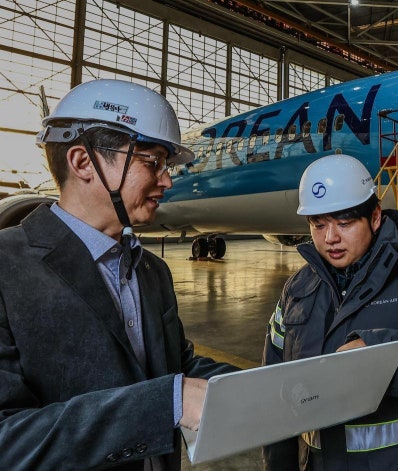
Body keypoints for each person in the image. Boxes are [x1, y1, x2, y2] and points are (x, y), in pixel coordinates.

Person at [0, 79, 239, 469]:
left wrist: (272, 384)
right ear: (82, 162)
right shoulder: (7, 267)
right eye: (152, 162)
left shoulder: (152, 271)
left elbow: (175, 366)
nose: (166, 180)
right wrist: (165, 403)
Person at [263, 154, 398, 470]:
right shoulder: (296, 290)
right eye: (319, 224)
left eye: (345, 222)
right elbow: (275, 395)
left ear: (376, 217)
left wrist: (381, 354)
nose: (331, 238)